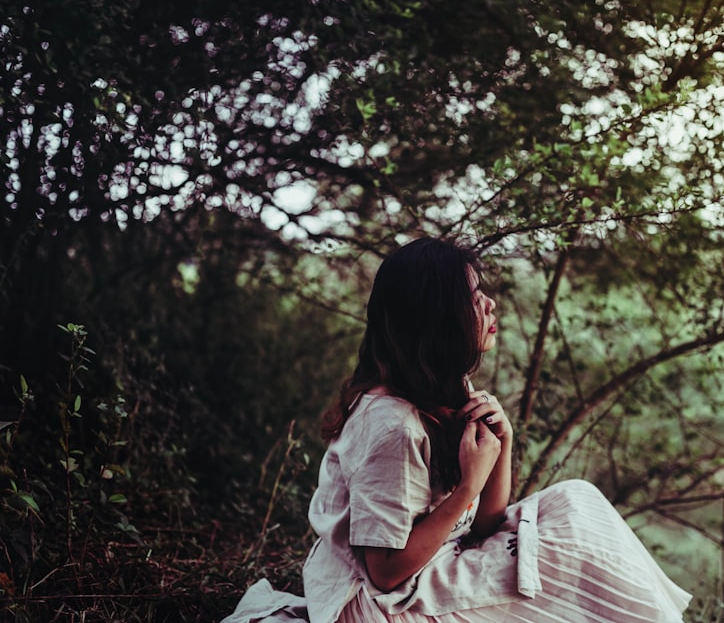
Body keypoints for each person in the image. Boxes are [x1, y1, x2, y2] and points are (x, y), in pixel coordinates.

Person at [223, 237, 691, 623]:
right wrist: (467, 485)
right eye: (472, 296)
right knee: (561, 562)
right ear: (439, 317)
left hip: (432, 566)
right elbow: (384, 572)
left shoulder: (443, 390)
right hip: (377, 606)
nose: (488, 303)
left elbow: (485, 523)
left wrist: (500, 446)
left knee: (575, 500)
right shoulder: (391, 425)